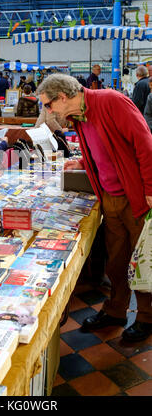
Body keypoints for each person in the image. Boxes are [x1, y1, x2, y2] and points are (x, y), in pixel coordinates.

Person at [36, 73, 152, 342]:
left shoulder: (111, 102)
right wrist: (83, 164)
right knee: (117, 260)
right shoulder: (78, 117)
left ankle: (146, 318)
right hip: (109, 197)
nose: (48, 111)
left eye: (49, 105)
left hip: (134, 197)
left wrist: (149, 189)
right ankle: (115, 311)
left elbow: (145, 144)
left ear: (63, 97)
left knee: (143, 262)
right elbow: (103, 151)